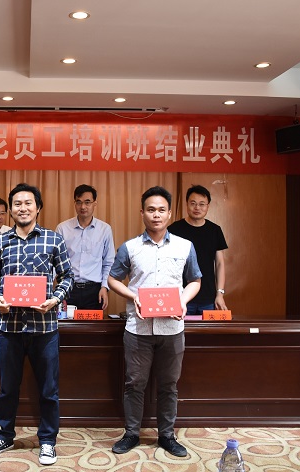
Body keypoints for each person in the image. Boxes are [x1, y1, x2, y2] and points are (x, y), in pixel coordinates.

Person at [0, 183, 73, 466]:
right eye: (17, 204)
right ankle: (5, 435)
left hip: (44, 327)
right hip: (8, 328)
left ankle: (47, 441)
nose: (23, 208)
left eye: (28, 203)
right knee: (7, 388)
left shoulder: (53, 239)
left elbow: (68, 277)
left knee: (48, 390)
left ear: (38, 207)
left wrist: (54, 299)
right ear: (11, 210)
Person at [107, 186, 201, 458]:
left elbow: (195, 280)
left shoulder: (185, 246)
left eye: (161, 210)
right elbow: (113, 279)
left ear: (169, 214)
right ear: (142, 213)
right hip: (138, 328)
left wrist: (183, 300)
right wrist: (133, 295)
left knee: (168, 385)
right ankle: (131, 433)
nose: (156, 215)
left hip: (172, 328)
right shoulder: (130, 247)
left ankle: (167, 436)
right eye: (151, 210)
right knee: (134, 383)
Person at [168, 185, 228, 314]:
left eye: (202, 204)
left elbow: (219, 264)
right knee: (181, 327)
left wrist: (220, 294)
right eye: (193, 203)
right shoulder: (174, 230)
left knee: (208, 328)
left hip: (208, 297)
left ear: (208, 206)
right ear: (187, 204)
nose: (197, 208)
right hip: (181, 296)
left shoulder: (215, 230)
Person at [55, 184, 115, 310]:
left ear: (95, 203)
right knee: (66, 323)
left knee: (93, 323)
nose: (83, 207)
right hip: (68, 288)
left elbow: (108, 262)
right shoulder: (62, 228)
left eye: (87, 202)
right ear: (74, 203)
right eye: (79, 202)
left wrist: (104, 287)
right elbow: (56, 262)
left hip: (95, 290)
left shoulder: (105, 229)